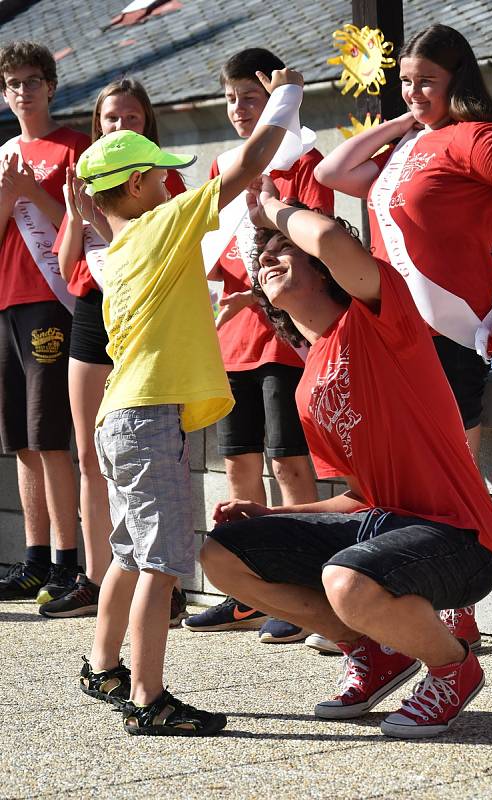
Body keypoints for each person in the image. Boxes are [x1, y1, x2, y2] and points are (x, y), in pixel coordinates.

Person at [199, 175, 492, 739]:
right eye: (264, 256)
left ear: (324, 269)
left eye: (286, 250)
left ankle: (451, 668)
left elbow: (337, 244)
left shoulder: (380, 320)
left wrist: (271, 208)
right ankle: (373, 653)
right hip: (384, 527)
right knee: (222, 554)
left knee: (347, 579)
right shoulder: (307, 382)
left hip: (462, 538)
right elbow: (360, 497)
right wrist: (277, 516)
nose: (269, 257)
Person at [76, 67, 305, 736]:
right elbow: (253, 159)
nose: (173, 182)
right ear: (142, 184)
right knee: (162, 562)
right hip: (151, 422)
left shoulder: (115, 250)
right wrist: (287, 94)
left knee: (128, 553)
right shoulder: (164, 223)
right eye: (162, 174)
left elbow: (153, 320)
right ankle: (148, 701)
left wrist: (211, 309)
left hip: (118, 419)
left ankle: (103, 666)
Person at [314, 23, 492, 647]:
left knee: (453, 481)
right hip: (393, 338)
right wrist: (402, 121)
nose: (414, 92)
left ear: (458, 80)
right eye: (406, 82)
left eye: (426, 82)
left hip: (448, 337)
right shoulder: (412, 145)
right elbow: (334, 172)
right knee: (404, 482)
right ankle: (406, 609)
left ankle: (455, 613)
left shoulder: (475, 139)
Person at [184, 47, 334, 644]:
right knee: (239, 461)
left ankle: (307, 593)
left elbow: (311, 242)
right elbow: (214, 254)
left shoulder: (304, 159)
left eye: (251, 97)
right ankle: (247, 590)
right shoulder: (229, 167)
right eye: (230, 99)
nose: (239, 109)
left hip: (284, 334)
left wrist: (264, 296)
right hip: (233, 335)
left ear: (277, 98)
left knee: (288, 460)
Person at [38, 78, 189, 621]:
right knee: (90, 455)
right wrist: (78, 214)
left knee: (150, 454)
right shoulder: (85, 177)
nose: (120, 127)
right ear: (96, 125)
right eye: (109, 119)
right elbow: (64, 262)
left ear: (146, 122)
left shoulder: (160, 178)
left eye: (130, 118)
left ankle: (160, 580)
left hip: (145, 324)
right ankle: (97, 578)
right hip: (91, 315)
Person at [0, 41, 89, 603]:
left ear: (50, 86)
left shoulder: (74, 146)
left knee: (51, 434)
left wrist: (34, 191)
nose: (22, 92)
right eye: (12, 84)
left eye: (31, 81)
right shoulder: (3, 151)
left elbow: (84, 226)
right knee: (21, 440)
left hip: (51, 299)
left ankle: (66, 559)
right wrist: (9, 197)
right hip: (6, 299)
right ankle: (33, 558)